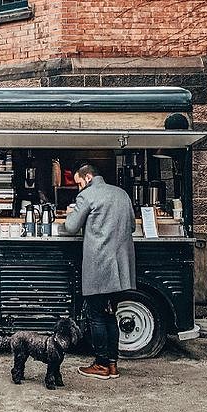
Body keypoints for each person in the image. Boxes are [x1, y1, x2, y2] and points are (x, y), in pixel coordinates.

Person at [63, 162, 136, 379]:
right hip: (120, 267)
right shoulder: (122, 194)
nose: (79, 188)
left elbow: (71, 227)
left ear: (87, 178)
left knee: (96, 315)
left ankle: (101, 365)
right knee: (111, 314)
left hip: (99, 264)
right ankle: (112, 365)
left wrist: (71, 213)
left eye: (79, 183)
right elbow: (132, 226)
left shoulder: (87, 195)